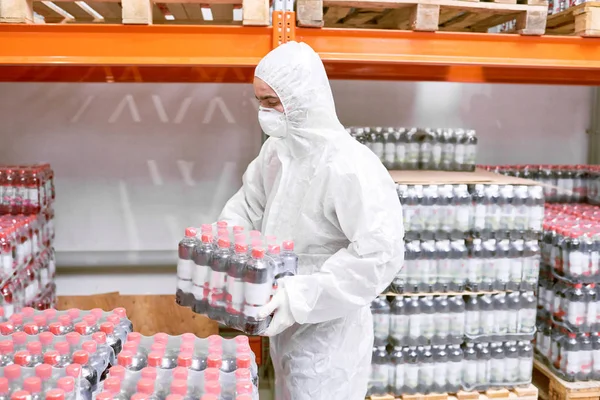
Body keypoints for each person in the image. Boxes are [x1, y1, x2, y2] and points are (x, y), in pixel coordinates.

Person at [217, 41, 404, 400]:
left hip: (329, 335)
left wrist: (298, 295)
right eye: (259, 101)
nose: (264, 112)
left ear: (302, 99)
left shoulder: (350, 166)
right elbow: (248, 206)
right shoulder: (277, 151)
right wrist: (226, 247)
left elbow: (378, 256)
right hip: (282, 318)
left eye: (271, 102)